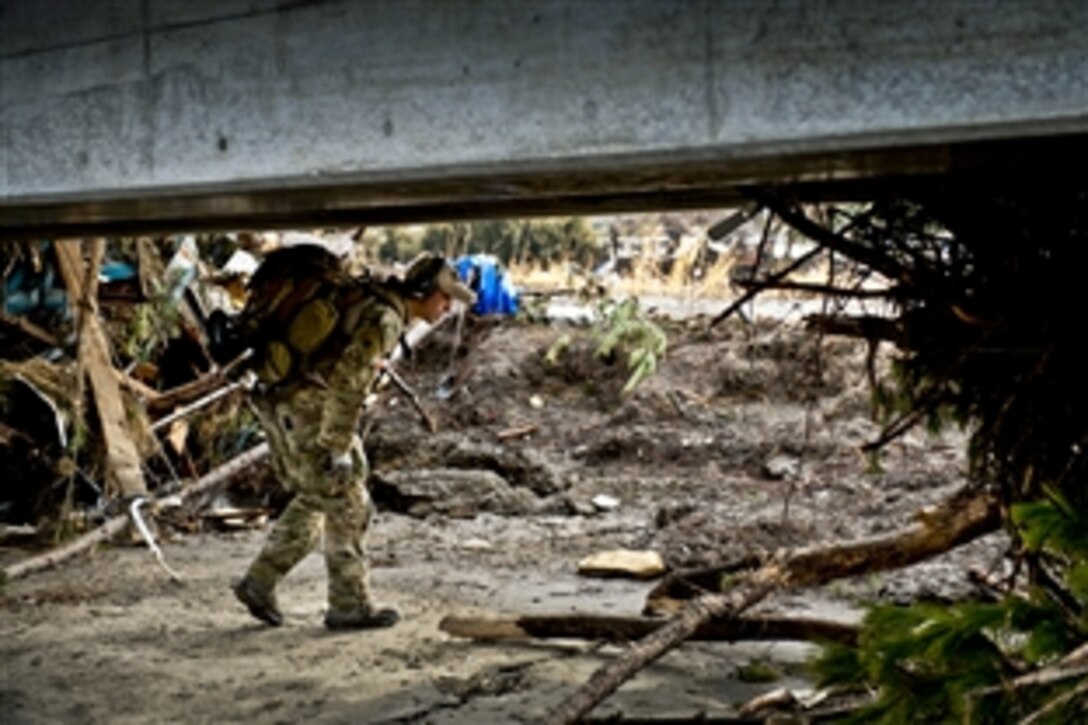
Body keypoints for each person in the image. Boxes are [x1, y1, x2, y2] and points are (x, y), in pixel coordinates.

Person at [232, 252, 475, 629]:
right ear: (424, 290)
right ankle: (349, 605)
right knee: (349, 499)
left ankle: (259, 583)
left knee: (319, 494)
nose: (447, 308)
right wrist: (338, 443)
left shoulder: (376, 302)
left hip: (282, 398)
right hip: (309, 404)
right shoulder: (385, 318)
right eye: (444, 298)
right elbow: (349, 382)